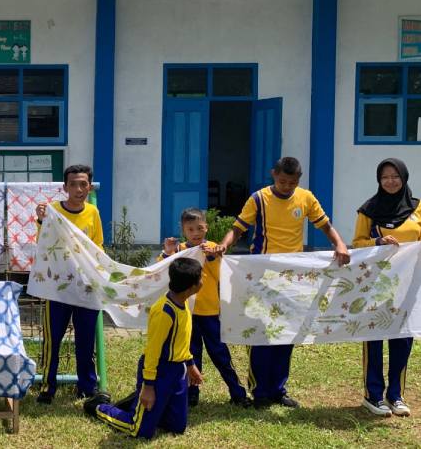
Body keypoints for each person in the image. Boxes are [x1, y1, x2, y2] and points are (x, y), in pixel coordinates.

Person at [213, 157, 351, 409]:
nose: (287, 186)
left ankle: (278, 389)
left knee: (287, 332)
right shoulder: (259, 199)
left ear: (299, 180)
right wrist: (224, 244)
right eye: (282, 181)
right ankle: (260, 390)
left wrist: (339, 244)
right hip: (262, 274)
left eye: (292, 182)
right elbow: (239, 227)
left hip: (293, 276)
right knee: (263, 331)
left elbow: (325, 225)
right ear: (273, 175)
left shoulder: (306, 198)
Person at [84, 258, 203, 439]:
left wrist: (191, 364)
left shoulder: (184, 301)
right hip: (158, 372)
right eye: (200, 278)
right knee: (138, 430)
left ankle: (138, 402)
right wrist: (149, 386)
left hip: (178, 372)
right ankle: (99, 406)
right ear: (191, 287)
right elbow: (153, 352)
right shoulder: (164, 312)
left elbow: (181, 341)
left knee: (177, 427)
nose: (203, 280)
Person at [160, 208, 250, 408]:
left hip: (210, 313)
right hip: (187, 313)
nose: (196, 233)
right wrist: (167, 252)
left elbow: (221, 275)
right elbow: (162, 271)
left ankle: (237, 392)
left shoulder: (214, 249)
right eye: (190, 229)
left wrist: (211, 257)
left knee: (220, 354)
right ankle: (192, 394)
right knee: (191, 354)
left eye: (200, 228)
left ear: (206, 228)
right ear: (184, 231)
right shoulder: (180, 250)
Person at [352, 158, 420, 417]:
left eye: (395, 176)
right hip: (375, 286)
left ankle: (396, 395)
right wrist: (377, 241)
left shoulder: (418, 208)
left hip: (408, 286)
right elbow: (356, 244)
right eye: (385, 177)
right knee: (375, 337)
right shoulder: (368, 210)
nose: (390, 181)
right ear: (379, 181)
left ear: (404, 177)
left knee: (403, 337)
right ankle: (373, 395)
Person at [35, 164, 104, 404]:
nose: (78, 189)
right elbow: (43, 243)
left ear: (89, 186)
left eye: (83, 184)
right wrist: (41, 220)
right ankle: (47, 386)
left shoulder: (93, 212)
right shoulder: (52, 211)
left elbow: (98, 246)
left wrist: (99, 272)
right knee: (53, 339)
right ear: (64, 187)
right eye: (73, 184)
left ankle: (87, 386)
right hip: (57, 288)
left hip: (86, 286)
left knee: (86, 340)